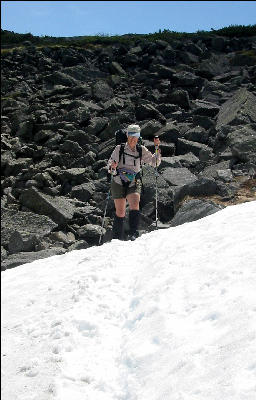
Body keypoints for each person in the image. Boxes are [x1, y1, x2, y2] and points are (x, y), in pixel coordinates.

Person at [107, 124, 161, 241]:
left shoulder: (141, 150)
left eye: (135, 136)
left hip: (134, 181)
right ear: (127, 135)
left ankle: (133, 234)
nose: (133, 138)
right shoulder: (119, 149)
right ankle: (117, 238)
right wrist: (113, 167)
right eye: (131, 135)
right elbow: (110, 167)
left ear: (138, 137)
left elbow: (154, 162)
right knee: (120, 212)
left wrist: (157, 148)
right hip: (118, 182)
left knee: (135, 203)